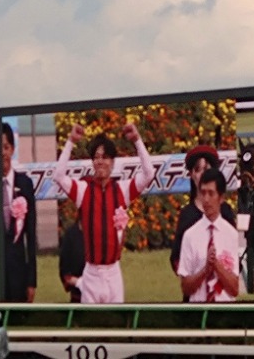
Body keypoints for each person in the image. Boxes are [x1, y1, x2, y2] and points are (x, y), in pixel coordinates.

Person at [53, 121, 155, 303]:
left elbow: (149, 174)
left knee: (116, 327)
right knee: (92, 329)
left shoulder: (122, 190)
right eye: (97, 157)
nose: (100, 161)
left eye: (105, 157)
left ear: (113, 162)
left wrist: (137, 141)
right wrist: (70, 141)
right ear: (92, 161)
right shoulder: (84, 190)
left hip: (113, 272)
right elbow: (59, 176)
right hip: (91, 273)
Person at [171, 144, 236, 299]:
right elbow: (177, 258)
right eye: (198, 170)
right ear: (192, 175)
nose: (202, 175)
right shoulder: (187, 215)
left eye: (206, 169)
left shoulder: (225, 210)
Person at [0, 121, 37, 302]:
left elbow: (30, 237)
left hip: (19, 275)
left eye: (6, 147)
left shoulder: (25, 184)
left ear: (12, 150)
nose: (2, 153)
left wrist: (32, 281)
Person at [59, 219, 85, 302]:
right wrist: (79, 283)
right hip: (77, 297)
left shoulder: (101, 233)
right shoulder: (70, 234)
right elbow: (64, 270)